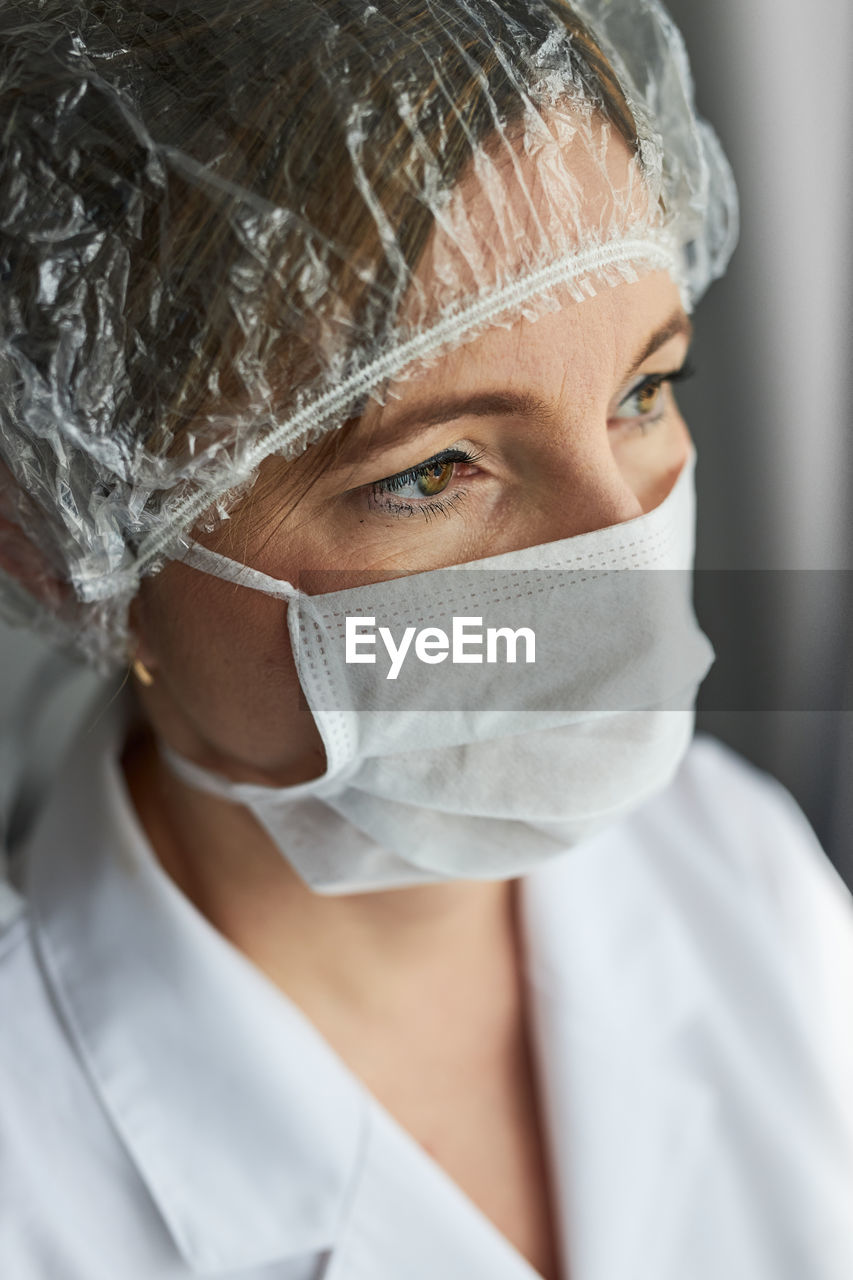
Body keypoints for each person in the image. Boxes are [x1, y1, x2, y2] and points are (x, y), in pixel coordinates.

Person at [0, 2, 851, 1278]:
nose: (616, 573)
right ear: (67, 553)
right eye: (434, 469)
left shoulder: (739, 871)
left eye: (640, 391)